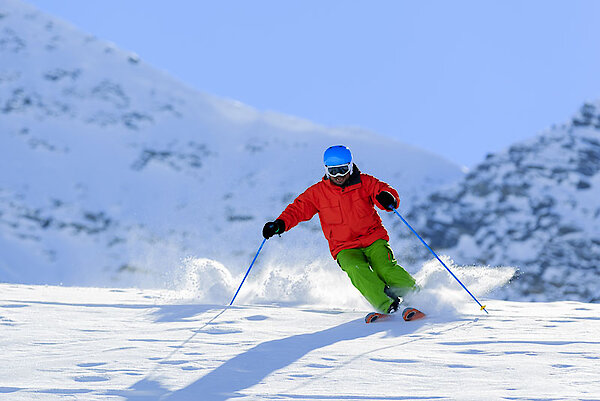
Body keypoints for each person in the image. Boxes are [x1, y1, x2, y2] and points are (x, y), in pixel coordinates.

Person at [263, 145, 418, 314]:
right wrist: (280, 224)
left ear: (350, 166)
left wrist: (388, 198)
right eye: (333, 171)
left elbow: (382, 190)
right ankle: (388, 305)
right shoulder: (318, 193)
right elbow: (298, 209)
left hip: (372, 238)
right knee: (355, 269)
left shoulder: (365, 183)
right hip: (344, 246)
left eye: (343, 170)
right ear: (326, 170)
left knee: (385, 267)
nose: (338, 176)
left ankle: (418, 297)